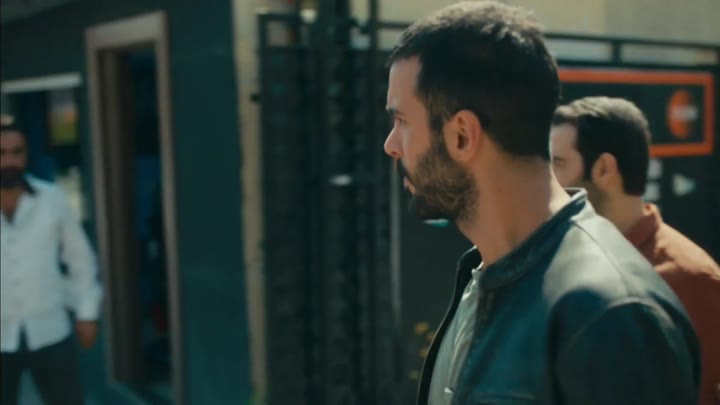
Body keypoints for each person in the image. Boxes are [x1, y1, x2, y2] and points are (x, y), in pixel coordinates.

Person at [383, 2, 700, 404]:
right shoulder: (485, 274)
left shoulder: (610, 314)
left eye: (401, 121)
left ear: (462, 134)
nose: (391, 145)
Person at [550, 96, 720, 405]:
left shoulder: (691, 279)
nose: (546, 180)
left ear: (604, 169)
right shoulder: (553, 259)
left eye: (557, 164)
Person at [1, 122, 103, 405]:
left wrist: (87, 312)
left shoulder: (51, 199)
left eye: (17, 152)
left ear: (26, 155)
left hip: (49, 329)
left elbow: (80, 257)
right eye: (1, 153)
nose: (9, 161)